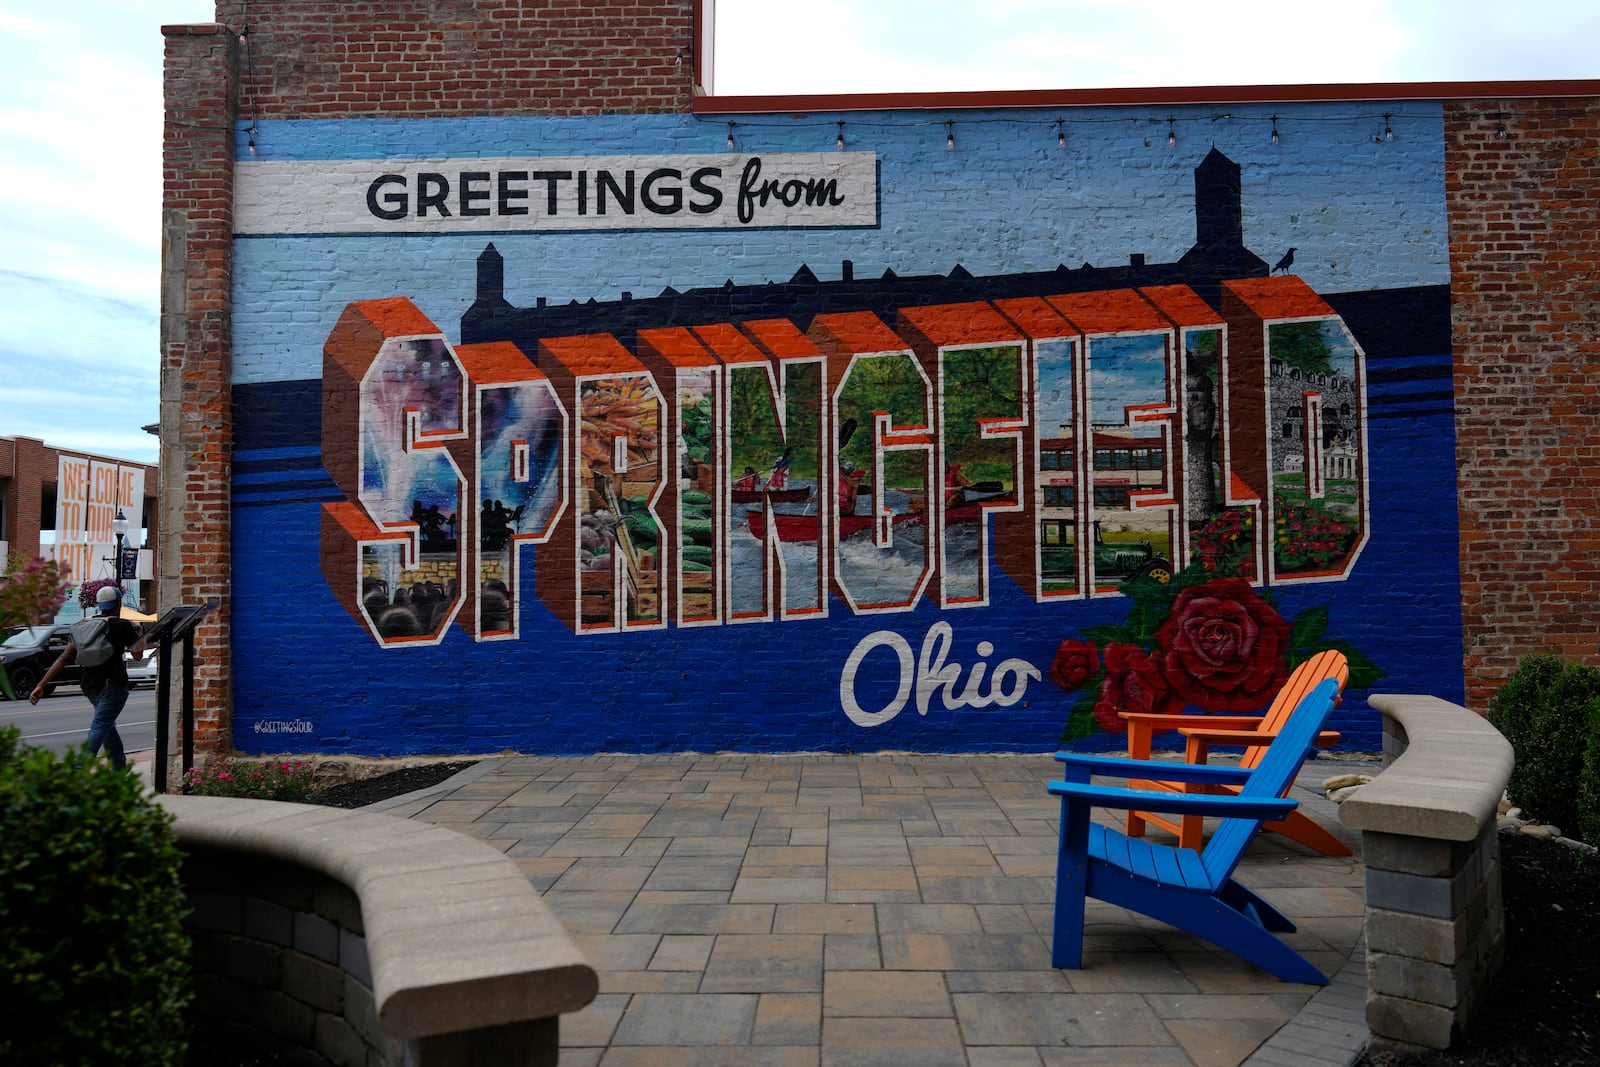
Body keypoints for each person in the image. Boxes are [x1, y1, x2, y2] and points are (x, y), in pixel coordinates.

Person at [30, 586, 147, 770]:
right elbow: (138, 656)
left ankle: (118, 767)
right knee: (101, 725)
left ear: (100, 605)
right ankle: (80, 769)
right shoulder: (122, 625)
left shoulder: (84, 625)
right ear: (118, 603)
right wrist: (139, 632)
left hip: (90, 685)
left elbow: (63, 657)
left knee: (106, 724)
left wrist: (40, 685)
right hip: (113, 684)